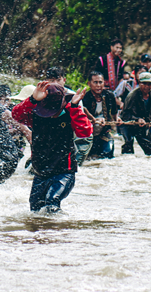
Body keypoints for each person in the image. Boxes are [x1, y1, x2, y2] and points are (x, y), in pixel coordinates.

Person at [11, 82, 91, 213]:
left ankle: (61, 226)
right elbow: (16, 115)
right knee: (35, 210)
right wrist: (32, 99)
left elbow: (85, 132)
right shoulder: (36, 113)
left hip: (63, 172)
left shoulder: (70, 112)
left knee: (52, 202)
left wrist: (75, 107)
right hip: (40, 172)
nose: (50, 113)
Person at [79, 71, 119, 159]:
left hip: (105, 131)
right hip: (89, 132)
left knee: (108, 154)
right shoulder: (85, 98)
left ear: (104, 83)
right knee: (87, 156)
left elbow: (114, 113)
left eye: (100, 82)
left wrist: (117, 120)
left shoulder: (110, 95)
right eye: (95, 82)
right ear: (89, 84)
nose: (98, 85)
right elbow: (81, 116)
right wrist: (95, 120)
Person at [119, 72, 151, 156]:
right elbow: (125, 115)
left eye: (149, 84)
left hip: (142, 125)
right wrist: (137, 119)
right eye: (144, 83)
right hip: (128, 125)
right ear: (139, 83)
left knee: (150, 149)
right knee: (128, 146)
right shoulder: (132, 96)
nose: (147, 86)